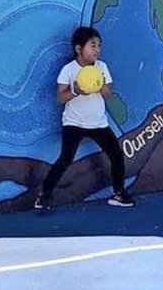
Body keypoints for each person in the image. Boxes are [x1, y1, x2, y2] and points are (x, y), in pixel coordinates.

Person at [34, 26, 134, 210]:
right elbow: (59, 97)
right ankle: (44, 196)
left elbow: (108, 94)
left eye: (99, 46)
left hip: (98, 123)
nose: (97, 50)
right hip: (74, 123)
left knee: (116, 155)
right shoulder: (69, 69)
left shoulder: (101, 67)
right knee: (65, 159)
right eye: (92, 45)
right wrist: (76, 91)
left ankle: (118, 193)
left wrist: (101, 84)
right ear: (79, 49)